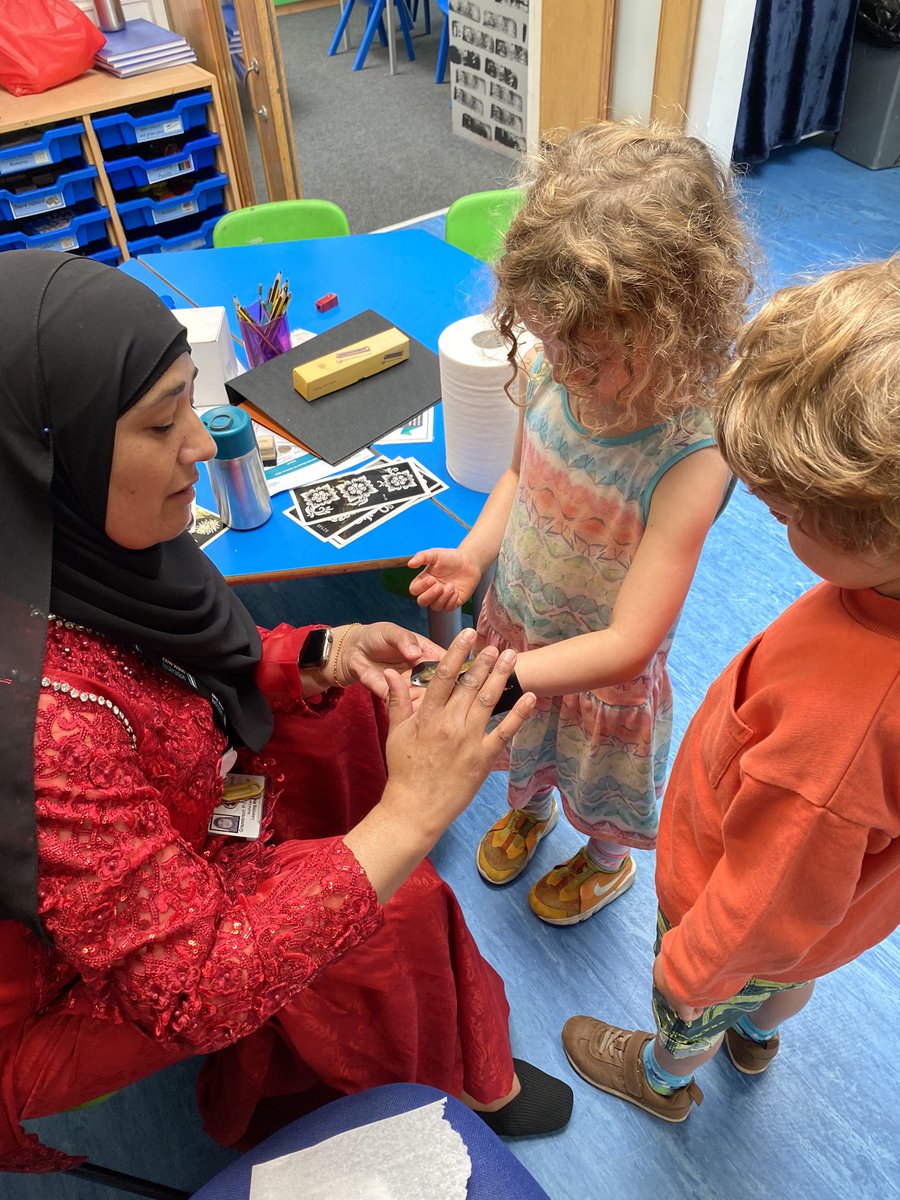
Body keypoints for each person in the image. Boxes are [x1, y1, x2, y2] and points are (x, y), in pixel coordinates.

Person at [0, 250, 573, 1174]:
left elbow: (183, 666)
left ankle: (362, 1028)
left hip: (159, 818)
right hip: (67, 987)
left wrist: (322, 651)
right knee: (399, 910)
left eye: (192, 400)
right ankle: (422, 1089)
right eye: (160, 423)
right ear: (46, 457)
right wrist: (407, 818)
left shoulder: (66, 557)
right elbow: (193, 988)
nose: (200, 442)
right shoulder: (39, 729)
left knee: (346, 708)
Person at [561, 256, 900, 1121]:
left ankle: (666, 1079)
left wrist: (693, 972)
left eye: (789, 513)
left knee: (703, 1001)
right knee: (790, 976)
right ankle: (761, 1030)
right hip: (828, 923)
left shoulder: (842, 736)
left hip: (732, 914)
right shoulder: (879, 593)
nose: (770, 514)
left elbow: (772, 890)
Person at [408, 121, 753, 924]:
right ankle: (531, 811)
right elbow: (521, 480)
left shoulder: (693, 454)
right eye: (549, 338)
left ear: (670, 327)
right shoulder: (547, 372)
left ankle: (602, 865)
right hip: (519, 625)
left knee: (598, 784)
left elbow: (630, 643)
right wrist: (472, 556)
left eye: (589, 355)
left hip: (602, 674)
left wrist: (499, 684)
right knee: (527, 755)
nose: (562, 365)